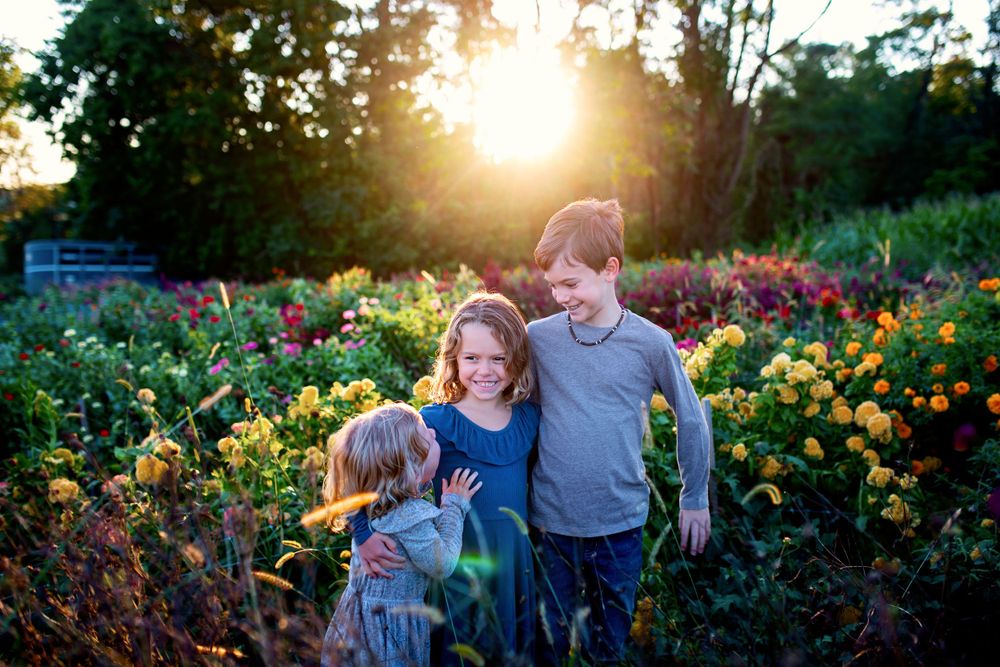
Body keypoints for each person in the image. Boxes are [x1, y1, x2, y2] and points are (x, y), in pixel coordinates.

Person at [528, 198, 711, 664]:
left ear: (610, 269)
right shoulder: (539, 338)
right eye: (553, 286)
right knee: (549, 644)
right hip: (552, 524)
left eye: (572, 283)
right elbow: (510, 407)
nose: (562, 297)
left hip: (620, 527)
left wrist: (694, 497)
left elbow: (691, 417)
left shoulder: (650, 342)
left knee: (605, 648)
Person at [353, 292, 540, 664]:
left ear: (516, 360)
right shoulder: (433, 422)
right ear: (453, 359)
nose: (484, 371)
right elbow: (364, 475)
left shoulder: (528, 419)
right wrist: (363, 533)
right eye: (471, 358)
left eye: (498, 359)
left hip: (512, 566)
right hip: (452, 567)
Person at [320, 403, 482, 667]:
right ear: (412, 469)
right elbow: (442, 564)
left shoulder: (367, 501)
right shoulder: (409, 518)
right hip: (390, 629)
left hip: (357, 621)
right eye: (425, 437)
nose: (432, 432)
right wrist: (454, 505)